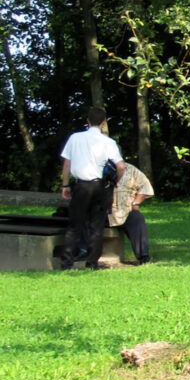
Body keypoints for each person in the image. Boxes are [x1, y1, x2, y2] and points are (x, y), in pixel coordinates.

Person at [59, 107, 125, 270]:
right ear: (103, 123)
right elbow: (121, 166)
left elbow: (67, 163)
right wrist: (116, 180)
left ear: (87, 121)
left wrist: (65, 185)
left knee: (75, 223)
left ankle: (67, 261)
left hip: (81, 184)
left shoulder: (75, 138)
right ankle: (92, 262)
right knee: (96, 224)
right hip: (98, 185)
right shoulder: (108, 142)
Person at [107, 162, 154, 265]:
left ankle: (143, 257)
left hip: (125, 211)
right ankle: (85, 257)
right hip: (103, 213)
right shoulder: (96, 168)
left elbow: (146, 187)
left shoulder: (131, 170)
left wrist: (136, 202)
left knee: (137, 218)